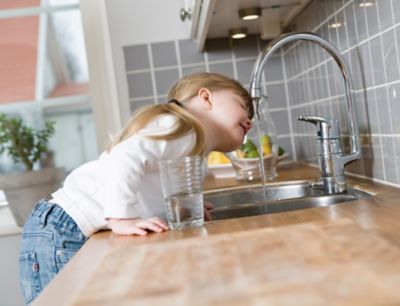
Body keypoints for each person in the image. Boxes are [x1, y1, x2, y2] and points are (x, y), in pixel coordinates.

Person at [18, 72, 254, 304]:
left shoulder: (193, 152)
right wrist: (121, 218)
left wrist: (184, 208)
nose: (250, 120)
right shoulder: (183, 128)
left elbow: (150, 187)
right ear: (206, 98)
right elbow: (125, 156)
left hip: (65, 228)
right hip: (63, 227)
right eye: (243, 105)